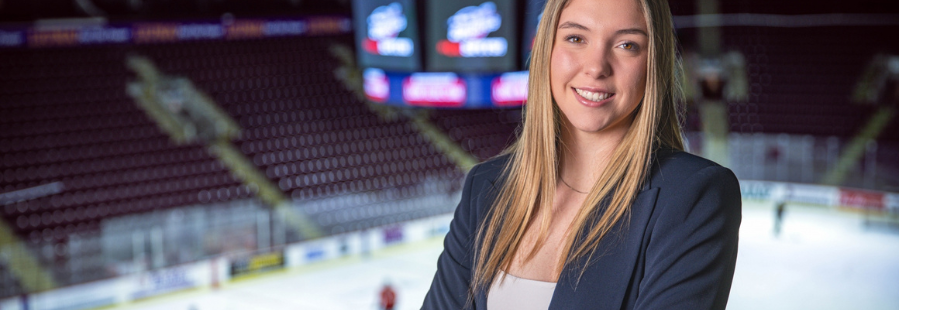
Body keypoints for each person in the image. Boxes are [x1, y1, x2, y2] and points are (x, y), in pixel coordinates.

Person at [421, 0, 742, 309]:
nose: (596, 67)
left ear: (654, 63)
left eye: (627, 45)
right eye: (575, 38)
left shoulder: (694, 196)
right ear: (547, 49)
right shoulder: (485, 186)